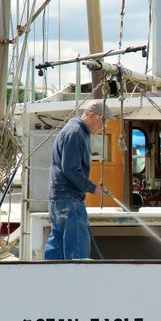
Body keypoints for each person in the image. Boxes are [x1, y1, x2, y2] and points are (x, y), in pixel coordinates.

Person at [44, 99, 113, 260]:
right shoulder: (75, 134)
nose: (103, 126)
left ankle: (49, 278)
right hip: (69, 200)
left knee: (57, 248)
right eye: (102, 121)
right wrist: (92, 188)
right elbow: (70, 169)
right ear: (92, 115)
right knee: (77, 251)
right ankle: (78, 281)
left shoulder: (72, 130)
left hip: (58, 200)